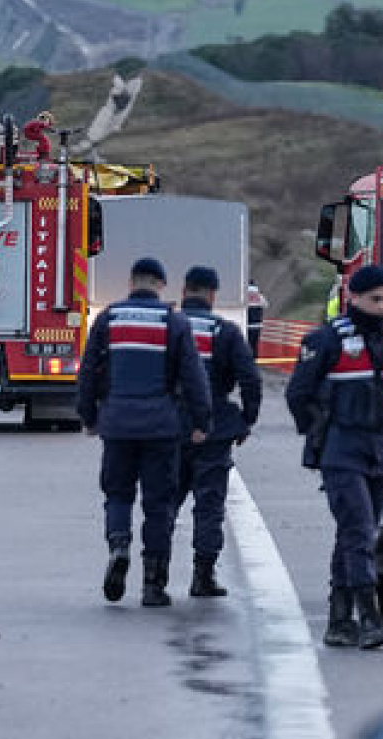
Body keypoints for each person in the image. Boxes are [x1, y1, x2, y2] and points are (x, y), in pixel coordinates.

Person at [77, 257, 212, 607]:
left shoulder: (109, 318)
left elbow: (88, 370)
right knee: (158, 504)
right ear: (161, 285)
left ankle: (119, 545)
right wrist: (202, 422)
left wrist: (89, 416)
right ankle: (153, 585)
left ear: (131, 282)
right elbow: (194, 378)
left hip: (117, 424)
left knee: (118, 494)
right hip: (160, 427)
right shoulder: (173, 321)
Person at [287, 264, 383, 649]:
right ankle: (369, 617)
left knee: (357, 532)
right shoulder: (326, 340)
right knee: (358, 530)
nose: (382, 307)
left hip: (379, 451)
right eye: (374, 300)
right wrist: (319, 434)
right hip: (342, 450)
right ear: (353, 297)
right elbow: (298, 394)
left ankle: (339, 620)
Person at [174, 265, 262, 597]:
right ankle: (203, 575)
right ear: (212, 295)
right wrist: (246, 420)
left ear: (184, 291)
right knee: (209, 504)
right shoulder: (225, 332)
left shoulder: (168, 327)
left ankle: (154, 578)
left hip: (170, 426)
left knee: (164, 502)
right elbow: (250, 379)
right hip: (214, 427)